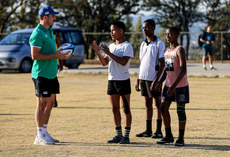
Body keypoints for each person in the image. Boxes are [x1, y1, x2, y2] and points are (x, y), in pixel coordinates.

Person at [30, 6, 71, 145]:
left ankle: (45, 132)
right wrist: (55, 55)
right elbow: (35, 56)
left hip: (51, 73)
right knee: (41, 103)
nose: (55, 18)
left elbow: (52, 51)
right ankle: (39, 135)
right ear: (46, 17)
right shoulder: (37, 33)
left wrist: (63, 55)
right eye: (53, 16)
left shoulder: (49, 30)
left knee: (51, 102)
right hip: (41, 74)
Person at [92, 21, 134, 144]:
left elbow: (123, 62)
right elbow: (104, 63)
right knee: (114, 109)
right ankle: (118, 135)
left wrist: (108, 52)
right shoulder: (111, 46)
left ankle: (126, 136)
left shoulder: (127, 46)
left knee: (125, 108)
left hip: (123, 81)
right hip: (112, 80)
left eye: (113, 30)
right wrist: (99, 52)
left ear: (121, 31)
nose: (111, 32)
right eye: (110, 30)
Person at [155, 27, 189, 146]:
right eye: (166, 34)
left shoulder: (180, 50)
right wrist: (159, 82)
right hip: (168, 85)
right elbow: (167, 69)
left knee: (180, 111)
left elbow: (183, 69)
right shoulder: (168, 50)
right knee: (163, 108)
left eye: (170, 34)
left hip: (180, 86)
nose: (167, 36)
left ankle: (181, 138)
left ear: (176, 35)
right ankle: (168, 136)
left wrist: (174, 86)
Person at [135, 19, 165, 138]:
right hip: (143, 78)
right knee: (148, 104)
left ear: (153, 28)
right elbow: (142, 63)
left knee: (158, 104)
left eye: (147, 27)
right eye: (143, 28)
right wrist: (138, 80)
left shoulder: (159, 43)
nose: (144, 30)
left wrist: (157, 80)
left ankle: (158, 131)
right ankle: (148, 130)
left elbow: (162, 64)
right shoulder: (143, 44)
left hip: (154, 79)